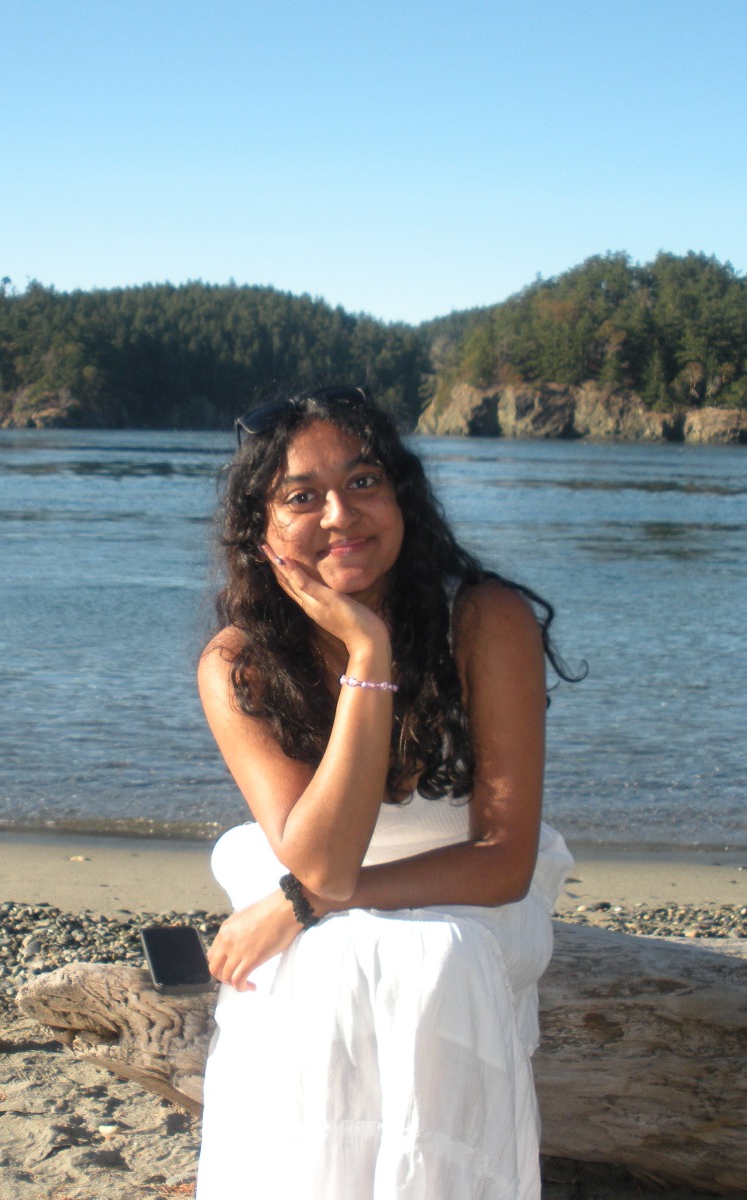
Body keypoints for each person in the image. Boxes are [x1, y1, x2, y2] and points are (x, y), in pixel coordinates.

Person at [193, 385, 578, 1200]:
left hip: (470, 901)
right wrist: (368, 654)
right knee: (323, 970)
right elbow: (321, 858)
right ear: (260, 530)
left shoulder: (484, 618)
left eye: (364, 482)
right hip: (319, 875)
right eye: (302, 497)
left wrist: (300, 907)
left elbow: (503, 863)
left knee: (432, 959)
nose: (342, 514)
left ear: (402, 495)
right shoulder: (240, 662)